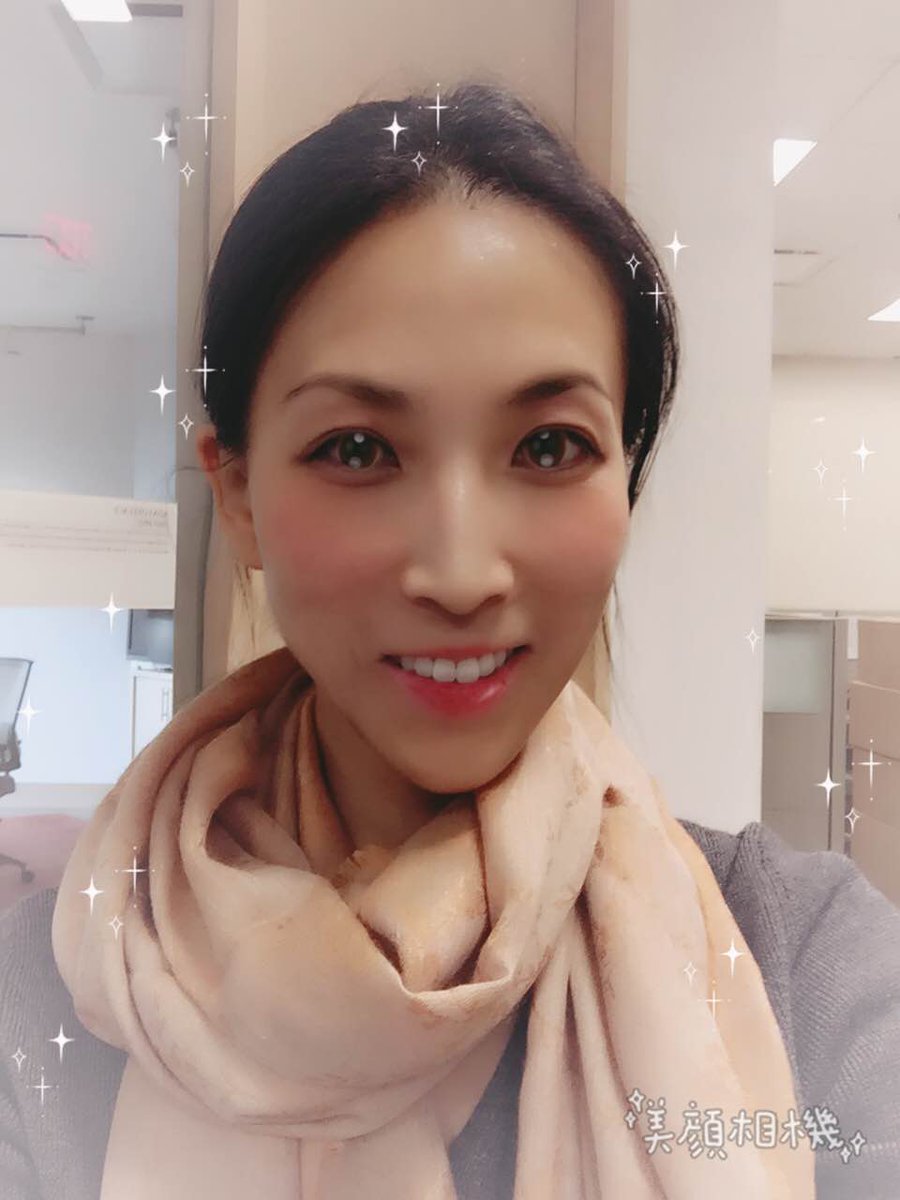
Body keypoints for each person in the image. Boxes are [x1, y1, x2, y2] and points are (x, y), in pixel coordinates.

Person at [1, 80, 898, 1200]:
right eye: (358, 450)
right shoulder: (53, 1000)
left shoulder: (799, 960)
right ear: (237, 495)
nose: (464, 573)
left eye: (550, 447)